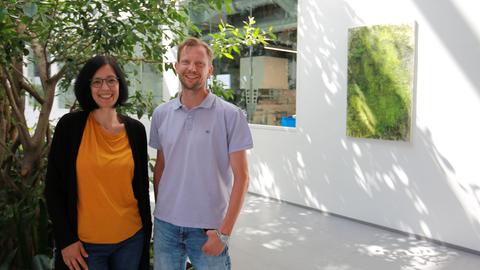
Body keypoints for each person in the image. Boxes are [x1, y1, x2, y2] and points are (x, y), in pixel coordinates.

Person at [149, 37, 253, 270]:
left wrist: (224, 232)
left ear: (210, 70)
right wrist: (161, 210)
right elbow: (161, 167)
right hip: (166, 226)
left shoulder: (230, 115)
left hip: (209, 228)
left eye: (199, 63)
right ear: (176, 66)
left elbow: (243, 177)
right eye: (186, 62)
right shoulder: (161, 114)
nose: (192, 68)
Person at [45, 55, 152, 270]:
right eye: (97, 81)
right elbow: (53, 188)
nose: (105, 87)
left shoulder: (136, 130)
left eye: (111, 80)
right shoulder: (70, 127)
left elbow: (140, 188)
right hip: (85, 246)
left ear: (120, 84)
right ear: (88, 87)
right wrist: (66, 240)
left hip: (131, 240)